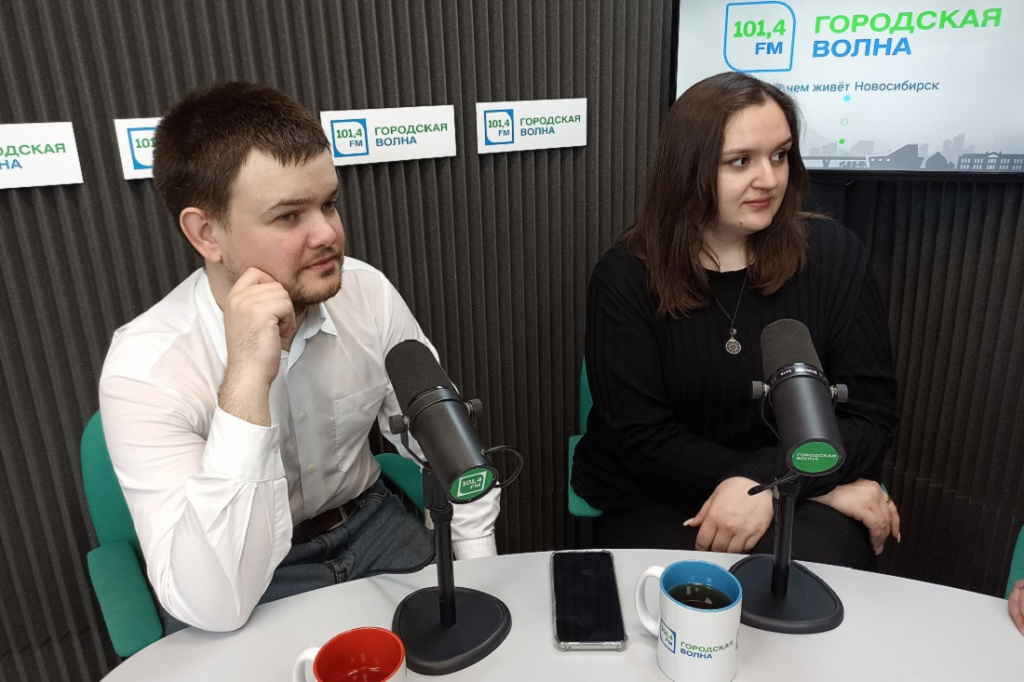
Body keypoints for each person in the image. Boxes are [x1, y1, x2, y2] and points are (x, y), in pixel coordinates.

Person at [99, 82, 499, 632]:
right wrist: (246, 379)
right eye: (288, 216)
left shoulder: (368, 294)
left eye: (329, 203)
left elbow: (448, 447)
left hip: (372, 524)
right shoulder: (145, 368)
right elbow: (215, 603)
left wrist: (479, 573)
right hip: (252, 571)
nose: (327, 233)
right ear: (207, 233)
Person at [571, 72, 900, 569]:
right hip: (658, 492)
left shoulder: (835, 256)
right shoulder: (625, 276)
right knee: (693, 597)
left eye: (780, 155)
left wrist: (775, 484)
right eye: (740, 161)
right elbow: (641, 438)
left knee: (811, 582)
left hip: (798, 486)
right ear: (688, 169)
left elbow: (869, 417)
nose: (769, 179)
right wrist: (791, 484)